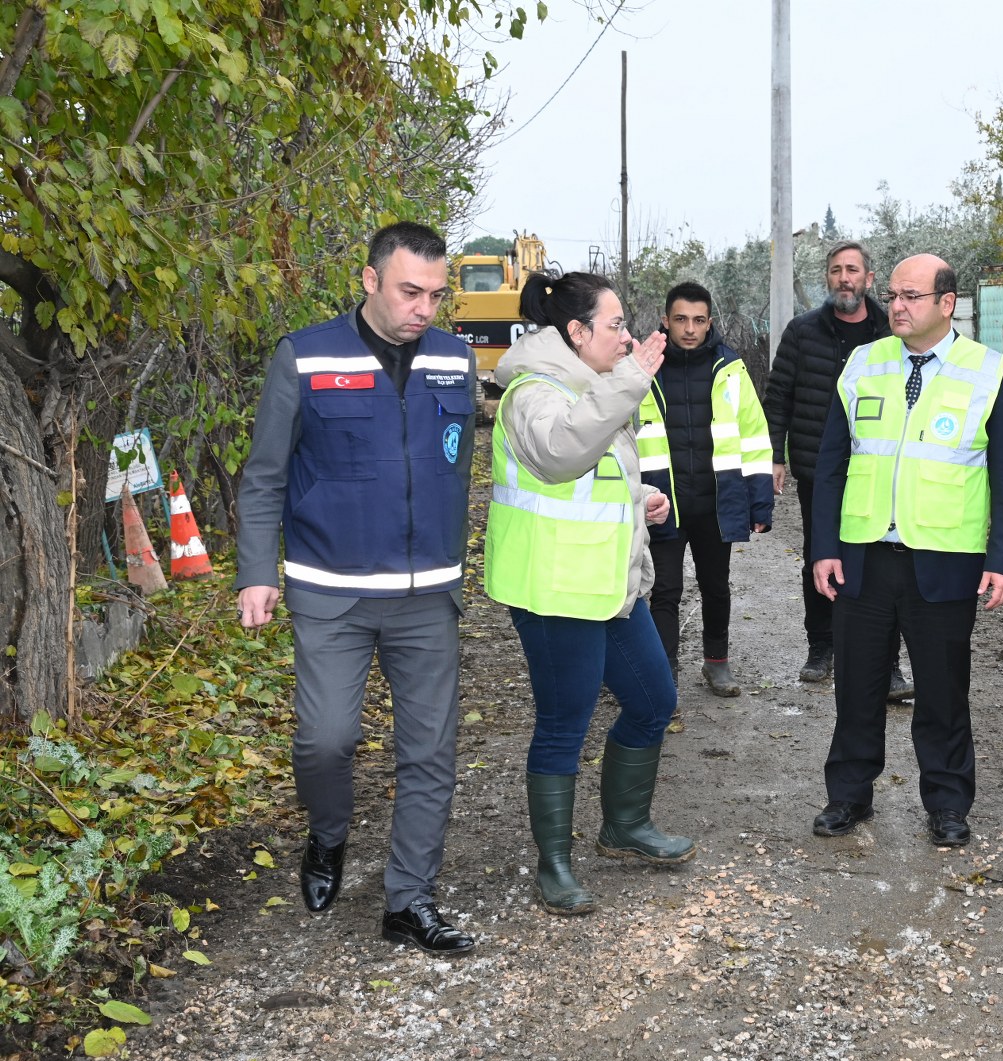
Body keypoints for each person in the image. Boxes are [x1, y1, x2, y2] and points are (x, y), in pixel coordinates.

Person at [235, 222, 476, 955]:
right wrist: (255, 572)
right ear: (369, 280)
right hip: (330, 592)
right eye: (410, 291)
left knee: (430, 750)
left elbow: (456, 464)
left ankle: (409, 898)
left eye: (436, 294)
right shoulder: (305, 355)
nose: (424, 308)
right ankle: (329, 834)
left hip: (426, 594)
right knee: (326, 739)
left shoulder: (455, 360)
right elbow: (264, 474)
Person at [485, 270, 695, 916]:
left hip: (609, 586)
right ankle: (555, 863)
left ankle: (624, 825)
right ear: (576, 333)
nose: (626, 337)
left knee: (653, 700)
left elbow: (592, 478)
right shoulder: (533, 392)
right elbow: (559, 454)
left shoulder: (592, 385)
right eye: (614, 326)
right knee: (563, 725)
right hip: (554, 592)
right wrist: (632, 380)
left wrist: (640, 498)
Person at [809, 254, 1003, 848]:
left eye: (911, 296)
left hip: (944, 559)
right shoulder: (864, 363)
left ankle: (948, 804)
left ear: (946, 303)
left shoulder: (988, 370)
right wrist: (823, 546)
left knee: (942, 690)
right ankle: (848, 796)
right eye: (895, 296)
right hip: (864, 555)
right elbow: (831, 464)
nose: (896, 306)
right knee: (856, 686)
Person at [765, 242, 913, 699]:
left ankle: (888, 665)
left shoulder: (890, 335)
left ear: (870, 279)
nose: (843, 278)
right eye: (835, 271)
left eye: (852, 270)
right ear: (826, 279)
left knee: (883, 564)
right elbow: (778, 396)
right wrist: (775, 456)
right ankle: (822, 647)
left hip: (877, 467)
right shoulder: (802, 332)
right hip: (817, 467)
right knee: (821, 553)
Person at [638, 281, 774, 704]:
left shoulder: (731, 370)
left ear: (710, 322)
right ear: (666, 321)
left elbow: (754, 437)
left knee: (717, 586)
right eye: (680, 319)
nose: (690, 329)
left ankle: (717, 661)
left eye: (698, 320)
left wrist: (759, 500)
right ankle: (665, 672)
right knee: (663, 590)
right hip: (663, 502)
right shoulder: (641, 369)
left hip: (716, 503)